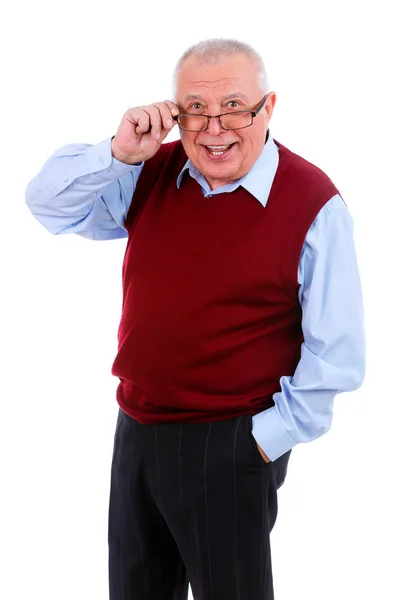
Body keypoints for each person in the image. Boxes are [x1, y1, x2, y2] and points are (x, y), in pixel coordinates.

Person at [25, 38, 366, 600]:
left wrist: (261, 441)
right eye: (196, 111)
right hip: (135, 430)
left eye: (235, 107)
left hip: (230, 442)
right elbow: (48, 206)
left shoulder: (313, 203)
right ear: (174, 114)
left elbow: (338, 355)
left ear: (269, 107)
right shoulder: (150, 171)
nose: (214, 128)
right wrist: (117, 152)